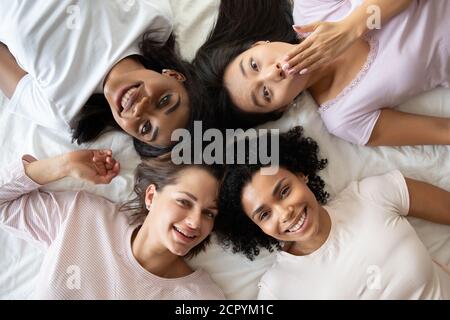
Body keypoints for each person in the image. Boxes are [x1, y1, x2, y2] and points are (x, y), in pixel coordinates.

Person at [216, 127, 450, 299]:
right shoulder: (277, 290)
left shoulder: (373, 195)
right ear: (255, 228)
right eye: (264, 215)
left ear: (301, 174)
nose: (285, 213)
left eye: (284, 191)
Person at [195, 0, 450, 147]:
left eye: (254, 65)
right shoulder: (345, 117)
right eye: (265, 93)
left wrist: (351, 27)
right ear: (282, 108)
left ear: (259, 44)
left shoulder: (312, 7)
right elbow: (442, 132)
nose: (273, 73)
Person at [0, 149, 225, 299]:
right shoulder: (83, 215)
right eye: (184, 202)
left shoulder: (200, 296)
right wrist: (64, 165)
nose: (195, 222)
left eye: (209, 213)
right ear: (151, 197)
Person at [0, 0, 203, 158]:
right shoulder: (155, 23)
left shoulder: (60, 109)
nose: (141, 109)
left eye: (145, 128)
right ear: (174, 76)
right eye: (164, 101)